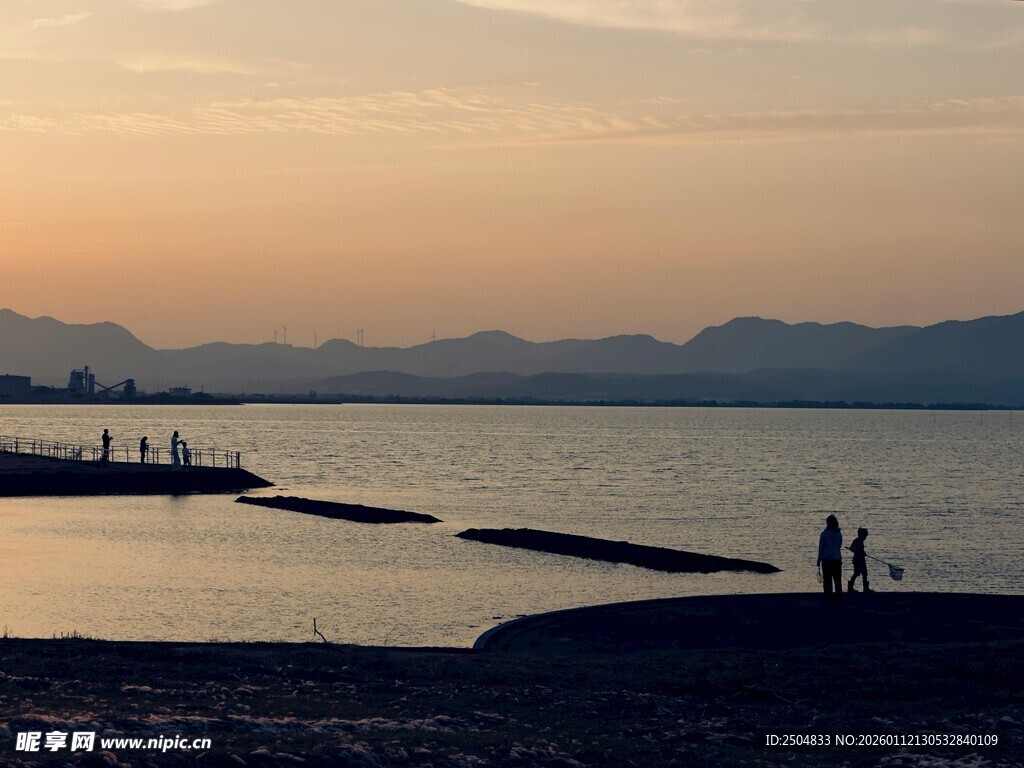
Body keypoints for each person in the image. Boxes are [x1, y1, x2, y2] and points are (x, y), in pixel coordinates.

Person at [816, 514, 843, 602]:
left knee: (827, 580)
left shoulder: (824, 534)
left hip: (826, 559)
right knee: (837, 580)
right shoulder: (839, 534)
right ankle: (838, 597)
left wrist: (818, 560)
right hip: (837, 559)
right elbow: (839, 546)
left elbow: (821, 547)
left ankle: (828, 597)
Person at [848, 528, 872, 593]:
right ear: (861, 534)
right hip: (859, 560)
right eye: (865, 536)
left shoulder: (856, 540)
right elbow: (853, 549)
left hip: (858, 559)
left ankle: (851, 588)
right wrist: (860, 552)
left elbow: (851, 548)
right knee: (861, 573)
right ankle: (864, 589)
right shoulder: (859, 541)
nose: (865, 537)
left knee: (861, 574)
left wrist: (862, 552)